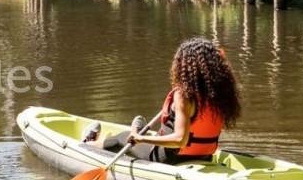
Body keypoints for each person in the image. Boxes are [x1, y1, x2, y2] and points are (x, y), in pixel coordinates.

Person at [88, 37, 241, 164]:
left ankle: (89, 144)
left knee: (122, 138)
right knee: (146, 136)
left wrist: (140, 138)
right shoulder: (221, 94)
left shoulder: (184, 95)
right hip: (204, 156)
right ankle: (137, 129)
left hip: (171, 158)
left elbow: (180, 140)